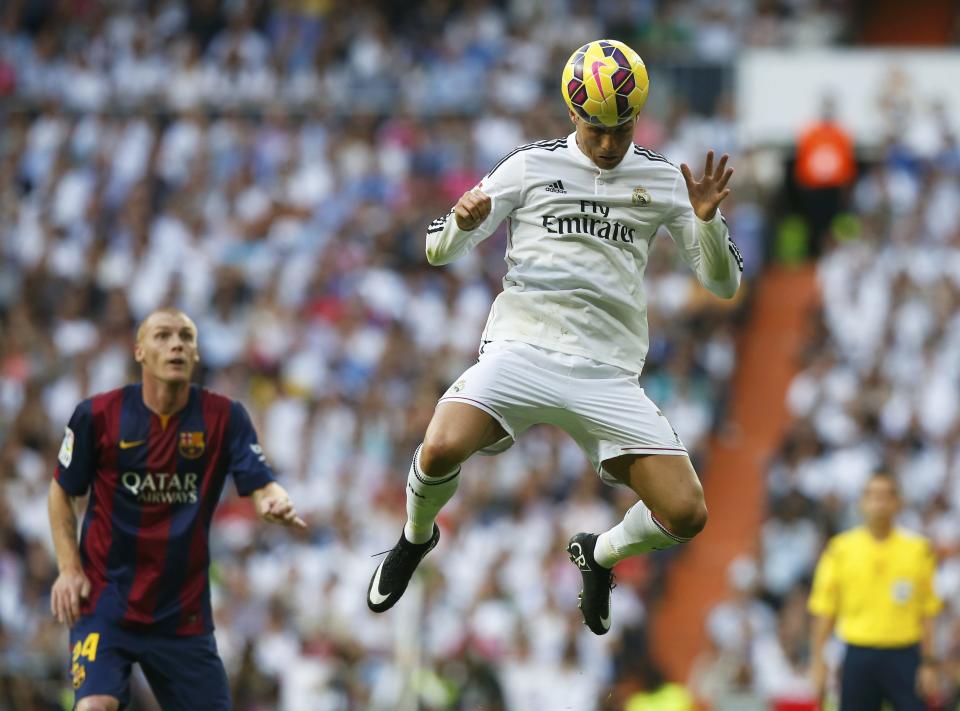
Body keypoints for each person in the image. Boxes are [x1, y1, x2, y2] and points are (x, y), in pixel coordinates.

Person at [367, 38, 742, 635]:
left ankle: (598, 555)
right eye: (596, 129)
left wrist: (708, 222)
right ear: (573, 114)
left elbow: (722, 285)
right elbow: (439, 248)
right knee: (438, 448)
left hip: (607, 373)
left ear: (636, 117)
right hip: (522, 351)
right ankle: (414, 538)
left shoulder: (667, 180)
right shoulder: (529, 165)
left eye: (621, 128)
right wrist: (461, 225)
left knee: (687, 512)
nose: (609, 143)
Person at [48, 307, 306, 711]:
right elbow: (62, 490)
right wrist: (68, 568)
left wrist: (273, 497)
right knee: (94, 707)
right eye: (163, 336)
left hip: (180, 615)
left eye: (186, 337)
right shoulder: (97, 416)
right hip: (106, 603)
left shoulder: (224, 418)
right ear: (139, 352)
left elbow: (259, 480)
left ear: (197, 354)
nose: (176, 345)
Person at [808, 472, 942, 710]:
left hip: (904, 653)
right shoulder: (840, 550)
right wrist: (818, 662)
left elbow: (927, 611)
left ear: (898, 503)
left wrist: (928, 663)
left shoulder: (918, 550)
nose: (878, 503)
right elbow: (825, 610)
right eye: (871, 496)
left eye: (885, 496)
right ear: (861, 503)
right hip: (858, 653)